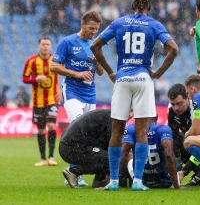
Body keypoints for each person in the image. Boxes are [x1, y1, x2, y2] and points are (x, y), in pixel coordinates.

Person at [91, 0, 178, 191]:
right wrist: (157, 73)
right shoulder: (154, 24)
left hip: (122, 77)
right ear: (149, 7)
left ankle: (113, 181)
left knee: (117, 130)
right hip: (142, 78)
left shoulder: (119, 22)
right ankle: (138, 181)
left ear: (132, 6)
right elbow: (173, 48)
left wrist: (112, 72)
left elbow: (96, 46)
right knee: (142, 130)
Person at [50, 10, 104, 186]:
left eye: (96, 29)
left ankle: (74, 172)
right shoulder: (67, 42)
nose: (93, 32)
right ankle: (75, 174)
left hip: (90, 94)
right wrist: (77, 74)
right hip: (72, 91)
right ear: (82, 24)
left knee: (88, 136)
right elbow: (54, 66)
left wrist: (98, 62)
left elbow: (102, 72)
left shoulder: (96, 44)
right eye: (91, 28)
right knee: (78, 131)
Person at [60, 109, 133, 189]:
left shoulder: (108, 115)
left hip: (69, 145)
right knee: (112, 160)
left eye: (132, 111)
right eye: (129, 110)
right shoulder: (112, 119)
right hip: (70, 147)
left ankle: (99, 181)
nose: (130, 114)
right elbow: (114, 148)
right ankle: (73, 171)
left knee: (107, 156)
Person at [22, 37, 61, 166]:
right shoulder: (32, 61)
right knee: (41, 131)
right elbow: (24, 78)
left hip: (52, 99)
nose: (45, 46)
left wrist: (61, 90)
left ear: (51, 46)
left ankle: (51, 157)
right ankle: (43, 159)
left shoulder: (56, 59)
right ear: (39, 46)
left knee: (51, 126)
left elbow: (65, 74)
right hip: (38, 101)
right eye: (43, 44)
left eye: (47, 44)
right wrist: (35, 79)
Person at [167, 83, 200, 187]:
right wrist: (176, 158)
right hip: (191, 140)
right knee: (177, 142)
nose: (176, 108)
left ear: (188, 98)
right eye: (173, 104)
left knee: (194, 144)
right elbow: (173, 133)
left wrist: (184, 171)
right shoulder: (171, 109)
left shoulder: (197, 108)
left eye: (179, 103)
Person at [121, 121, 181, 189]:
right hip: (165, 181)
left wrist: (114, 180)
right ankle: (181, 174)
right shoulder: (163, 129)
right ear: (155, 117)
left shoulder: (131, 128)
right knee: (170, 154)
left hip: (141, 180)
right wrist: (177, 186)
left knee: (128, 152)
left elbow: (122, 153)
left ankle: (117, 181)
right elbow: (169, 155)